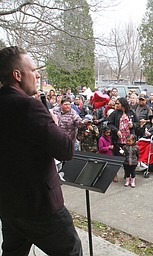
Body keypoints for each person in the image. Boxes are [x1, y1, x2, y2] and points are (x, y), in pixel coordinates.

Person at [0, 46, 82, 255]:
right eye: (34, 70)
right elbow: (65, 151)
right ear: (17, 75)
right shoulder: (29, 107)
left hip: (8, 204)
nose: (37, 75)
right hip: (40, 207)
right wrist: (53, 124)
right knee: (71, 251)